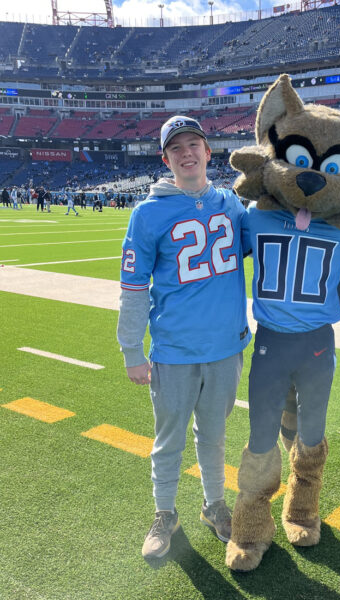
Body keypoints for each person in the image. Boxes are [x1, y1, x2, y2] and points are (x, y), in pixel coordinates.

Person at [117, 115, 251, 559]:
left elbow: (266, 242)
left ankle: (214, 505)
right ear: (166, 159)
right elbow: (134, 287)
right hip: (174, 350)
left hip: (225, 347)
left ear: (208, 152)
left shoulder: (231, 204)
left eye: (193, 144)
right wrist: (132, 349)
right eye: (176, 147)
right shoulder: (147, 213)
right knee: (169, 439)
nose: (186, 153)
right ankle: (164, 513)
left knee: (213, 435)